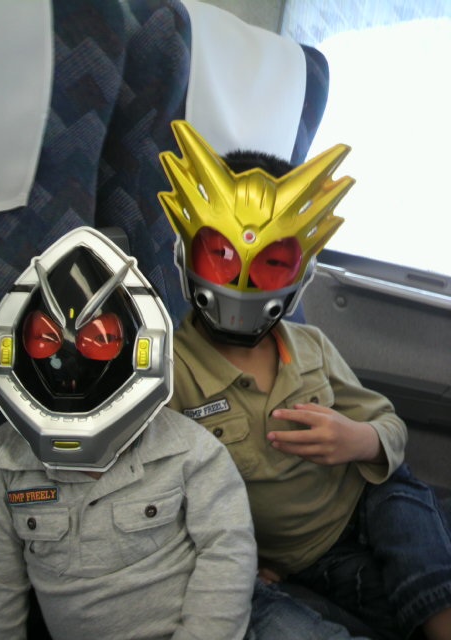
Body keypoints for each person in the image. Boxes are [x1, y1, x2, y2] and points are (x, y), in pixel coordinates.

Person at [0, 226, 375, 640]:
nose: (69, 358)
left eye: (101, 340)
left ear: (140, 349)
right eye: (44, 339)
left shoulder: (188, 449)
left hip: (221, 622)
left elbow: (227, 550)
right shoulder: (3, 465)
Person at [159, 120, 451, 640]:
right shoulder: (172, 373)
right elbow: (163, 494)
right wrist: (233, 558)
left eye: (273, 263)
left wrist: (361, 439)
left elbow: (387, 423)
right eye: (220, 255)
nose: (244, 280)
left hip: (371, 498)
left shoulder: (310, 346)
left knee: (409, 519)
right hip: (306, 556)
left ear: (299, 273)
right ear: (187, 253)